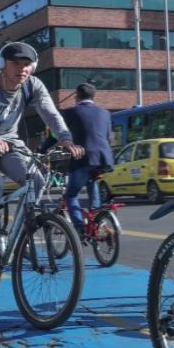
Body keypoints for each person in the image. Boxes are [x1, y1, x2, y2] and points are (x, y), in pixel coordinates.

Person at [0, 42, 84, 275]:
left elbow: (50, 113)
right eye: (16, 64)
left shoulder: (32, 86)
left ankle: (20, 231)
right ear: (3, 64)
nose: (22, 69)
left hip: (10, 142)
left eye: (27, 65)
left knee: (37, 180)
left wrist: (65, 139)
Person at [60, 83, 114, 235]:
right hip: (104, 158)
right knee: (92, 180)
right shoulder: (105, 113)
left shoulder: (71, 112)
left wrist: (43, 149)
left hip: (83, 157)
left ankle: (79, 227)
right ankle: (97, 219)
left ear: (76, 96)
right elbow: (108, 137)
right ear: (93, 96)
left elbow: (58, 133)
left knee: (71, 195)